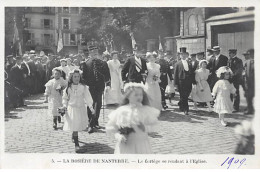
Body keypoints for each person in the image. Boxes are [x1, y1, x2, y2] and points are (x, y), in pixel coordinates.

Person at [106, 82, 160, 154]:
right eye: (136, 95)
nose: (139, 97)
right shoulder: (122, 111)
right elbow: (112, 127)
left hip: (142, 144)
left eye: (141, 95)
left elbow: (151, 126)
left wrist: (144, 127)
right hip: (127, 145)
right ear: (128, 96)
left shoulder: (145, 110)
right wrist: (119, 136)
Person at [61, 69, 95, 153]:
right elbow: (65, 99)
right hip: (72, 108)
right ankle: (76, 144)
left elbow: (87, 97)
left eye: (78, 76)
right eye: (75, 77)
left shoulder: (83, 87)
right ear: (71, 77)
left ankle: (74, 134)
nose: (77, 78)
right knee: (74, 125)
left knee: (77, 124)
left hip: (81, 108)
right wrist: (64, 106)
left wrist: (91, 107)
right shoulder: (68, 88)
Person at [80, 45, 111, 133]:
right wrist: (85, 85)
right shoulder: (85, 64)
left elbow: (107, 75)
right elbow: (83, 77)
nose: (94, 54)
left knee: (99, 104)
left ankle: (95, 120)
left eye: (96, 52)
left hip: (100, 87)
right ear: (90, 53)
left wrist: (108, 84)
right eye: (93, 52)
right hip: (90, 87)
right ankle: (90, 124)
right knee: (90, 104)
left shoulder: (103, 63)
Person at [174, 47, 193, 115]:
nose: (183, 56)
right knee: (183, 95)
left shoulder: (189, 63)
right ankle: (186, 109)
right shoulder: (177, 64)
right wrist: (175, 84)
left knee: (186, 95)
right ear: (180, 55)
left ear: (187, 55)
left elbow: (192, 72)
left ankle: (181, 104)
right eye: (182, 54)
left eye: (184, 54)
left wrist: (193, 81)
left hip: (188, 81)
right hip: (181, 82)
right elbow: (175, 74)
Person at [243, 49, 254, 114]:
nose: (248, 56)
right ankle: (250, 109)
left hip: (255, 82)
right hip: (248, 82)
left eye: (249, 54)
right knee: (248, 96)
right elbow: (245, 71)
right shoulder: (247, 62)